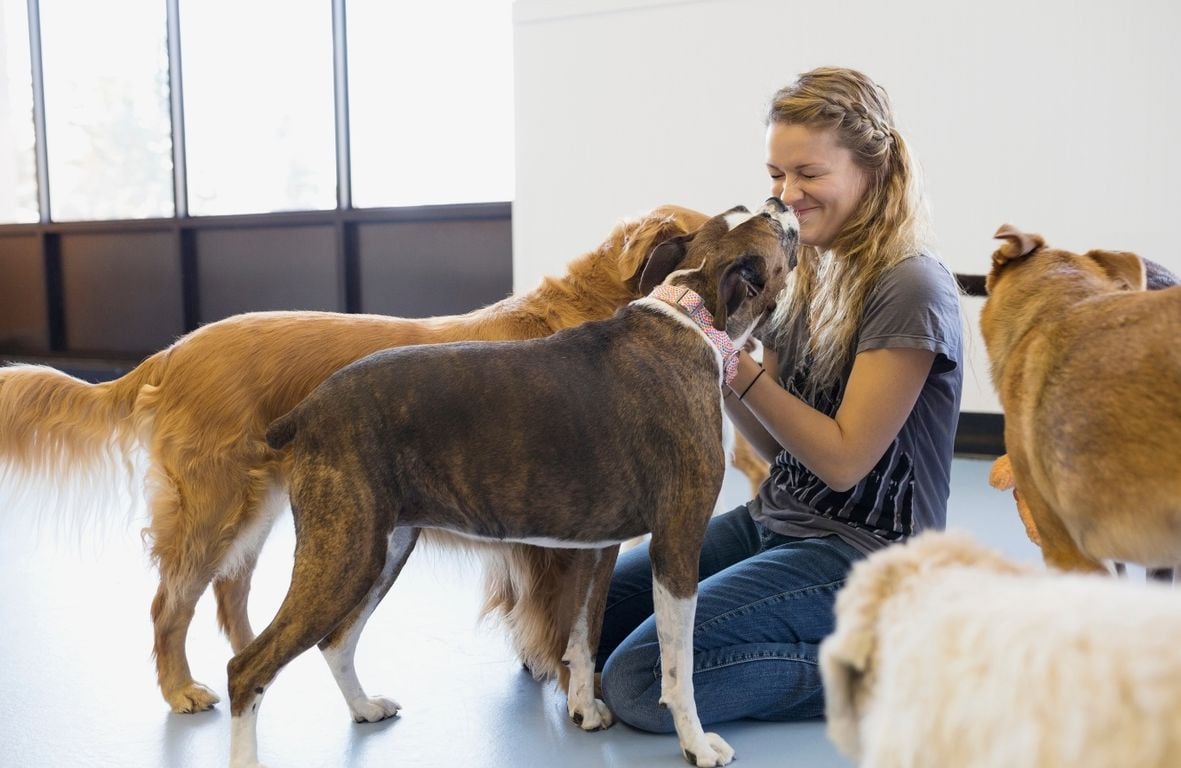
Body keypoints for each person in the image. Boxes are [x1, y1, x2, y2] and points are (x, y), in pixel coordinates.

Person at [596, 66, 964, 731]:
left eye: (808, 174)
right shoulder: (810, 269)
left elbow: (844, 462)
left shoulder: (910, 286)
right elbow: (774, 446)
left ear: (871, 173)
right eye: (774, 175)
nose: (785, 195)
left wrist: (732, 363)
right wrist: (712, 346)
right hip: (778, 517)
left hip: (866, 554)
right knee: (585, 620)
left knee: (637, 682)